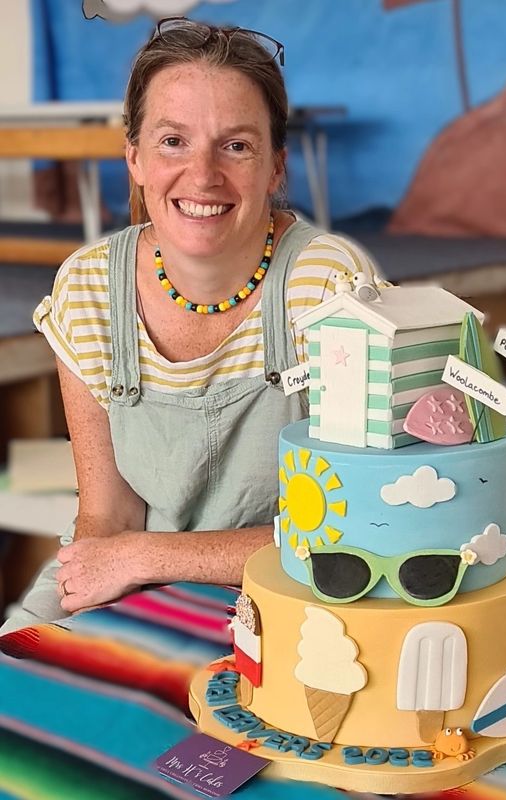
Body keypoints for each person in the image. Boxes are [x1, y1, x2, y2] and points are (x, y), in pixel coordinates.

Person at [1, 19, 384, 634]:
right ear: (135, 159)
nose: (203, 175)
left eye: (236, 146)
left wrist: (147, 556)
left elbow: (360, 529)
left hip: (292, 592)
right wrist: (103, 591)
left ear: (275, 168)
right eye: (173, 141)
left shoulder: (327, 286)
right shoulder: (90, 288)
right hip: (129, 572)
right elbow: (107, 516)